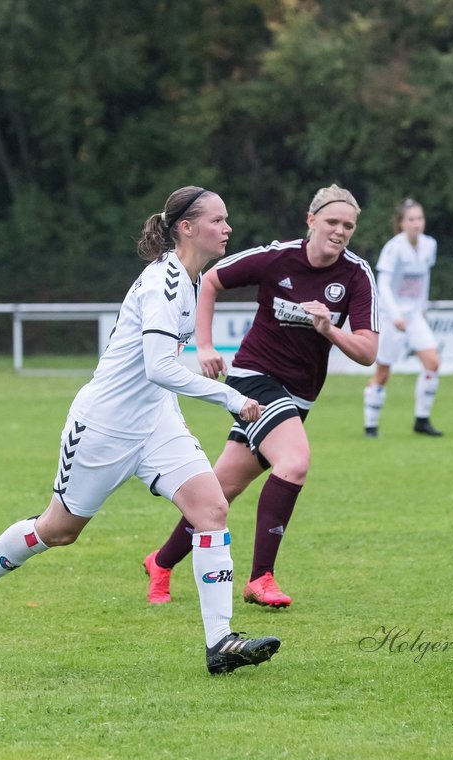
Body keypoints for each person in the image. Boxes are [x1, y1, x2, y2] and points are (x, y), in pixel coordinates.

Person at [0, 186, 282, 675]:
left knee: (212, 510)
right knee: (58, 531)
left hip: (157, 420)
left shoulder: (191, 278)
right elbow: (160, 366)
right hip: (104, 426)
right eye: (219, 220)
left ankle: (220, 643)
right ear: (187, 227)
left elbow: (161, 378)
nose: (228, 229)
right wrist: (232, 398)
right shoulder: (162, 281)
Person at [142, 183, 379, 609]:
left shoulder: (356, 275)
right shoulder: (276, 257)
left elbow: (367, 352)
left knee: (221, 489)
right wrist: (206, 345)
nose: (340, 231)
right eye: (332, 222)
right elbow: (211, 280)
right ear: (311, 221)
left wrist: (329, 330)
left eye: (349, 225)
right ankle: (260, 578)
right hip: (254, 376)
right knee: (295, 462)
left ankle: (160, 562)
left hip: (300, 394)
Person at [363, 198, 443, 437]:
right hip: (391, 316)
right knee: (383, 372)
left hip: (415, 315)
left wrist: (422, 308)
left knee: (433, 362)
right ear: (401, 223)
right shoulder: (394, 248)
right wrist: (395, 315)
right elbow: (383, 284)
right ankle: (370, 426)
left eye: (420, 218)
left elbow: (424, 278)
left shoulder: (429, 245)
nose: (416, 223)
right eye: (411, 219)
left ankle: (422, 420)